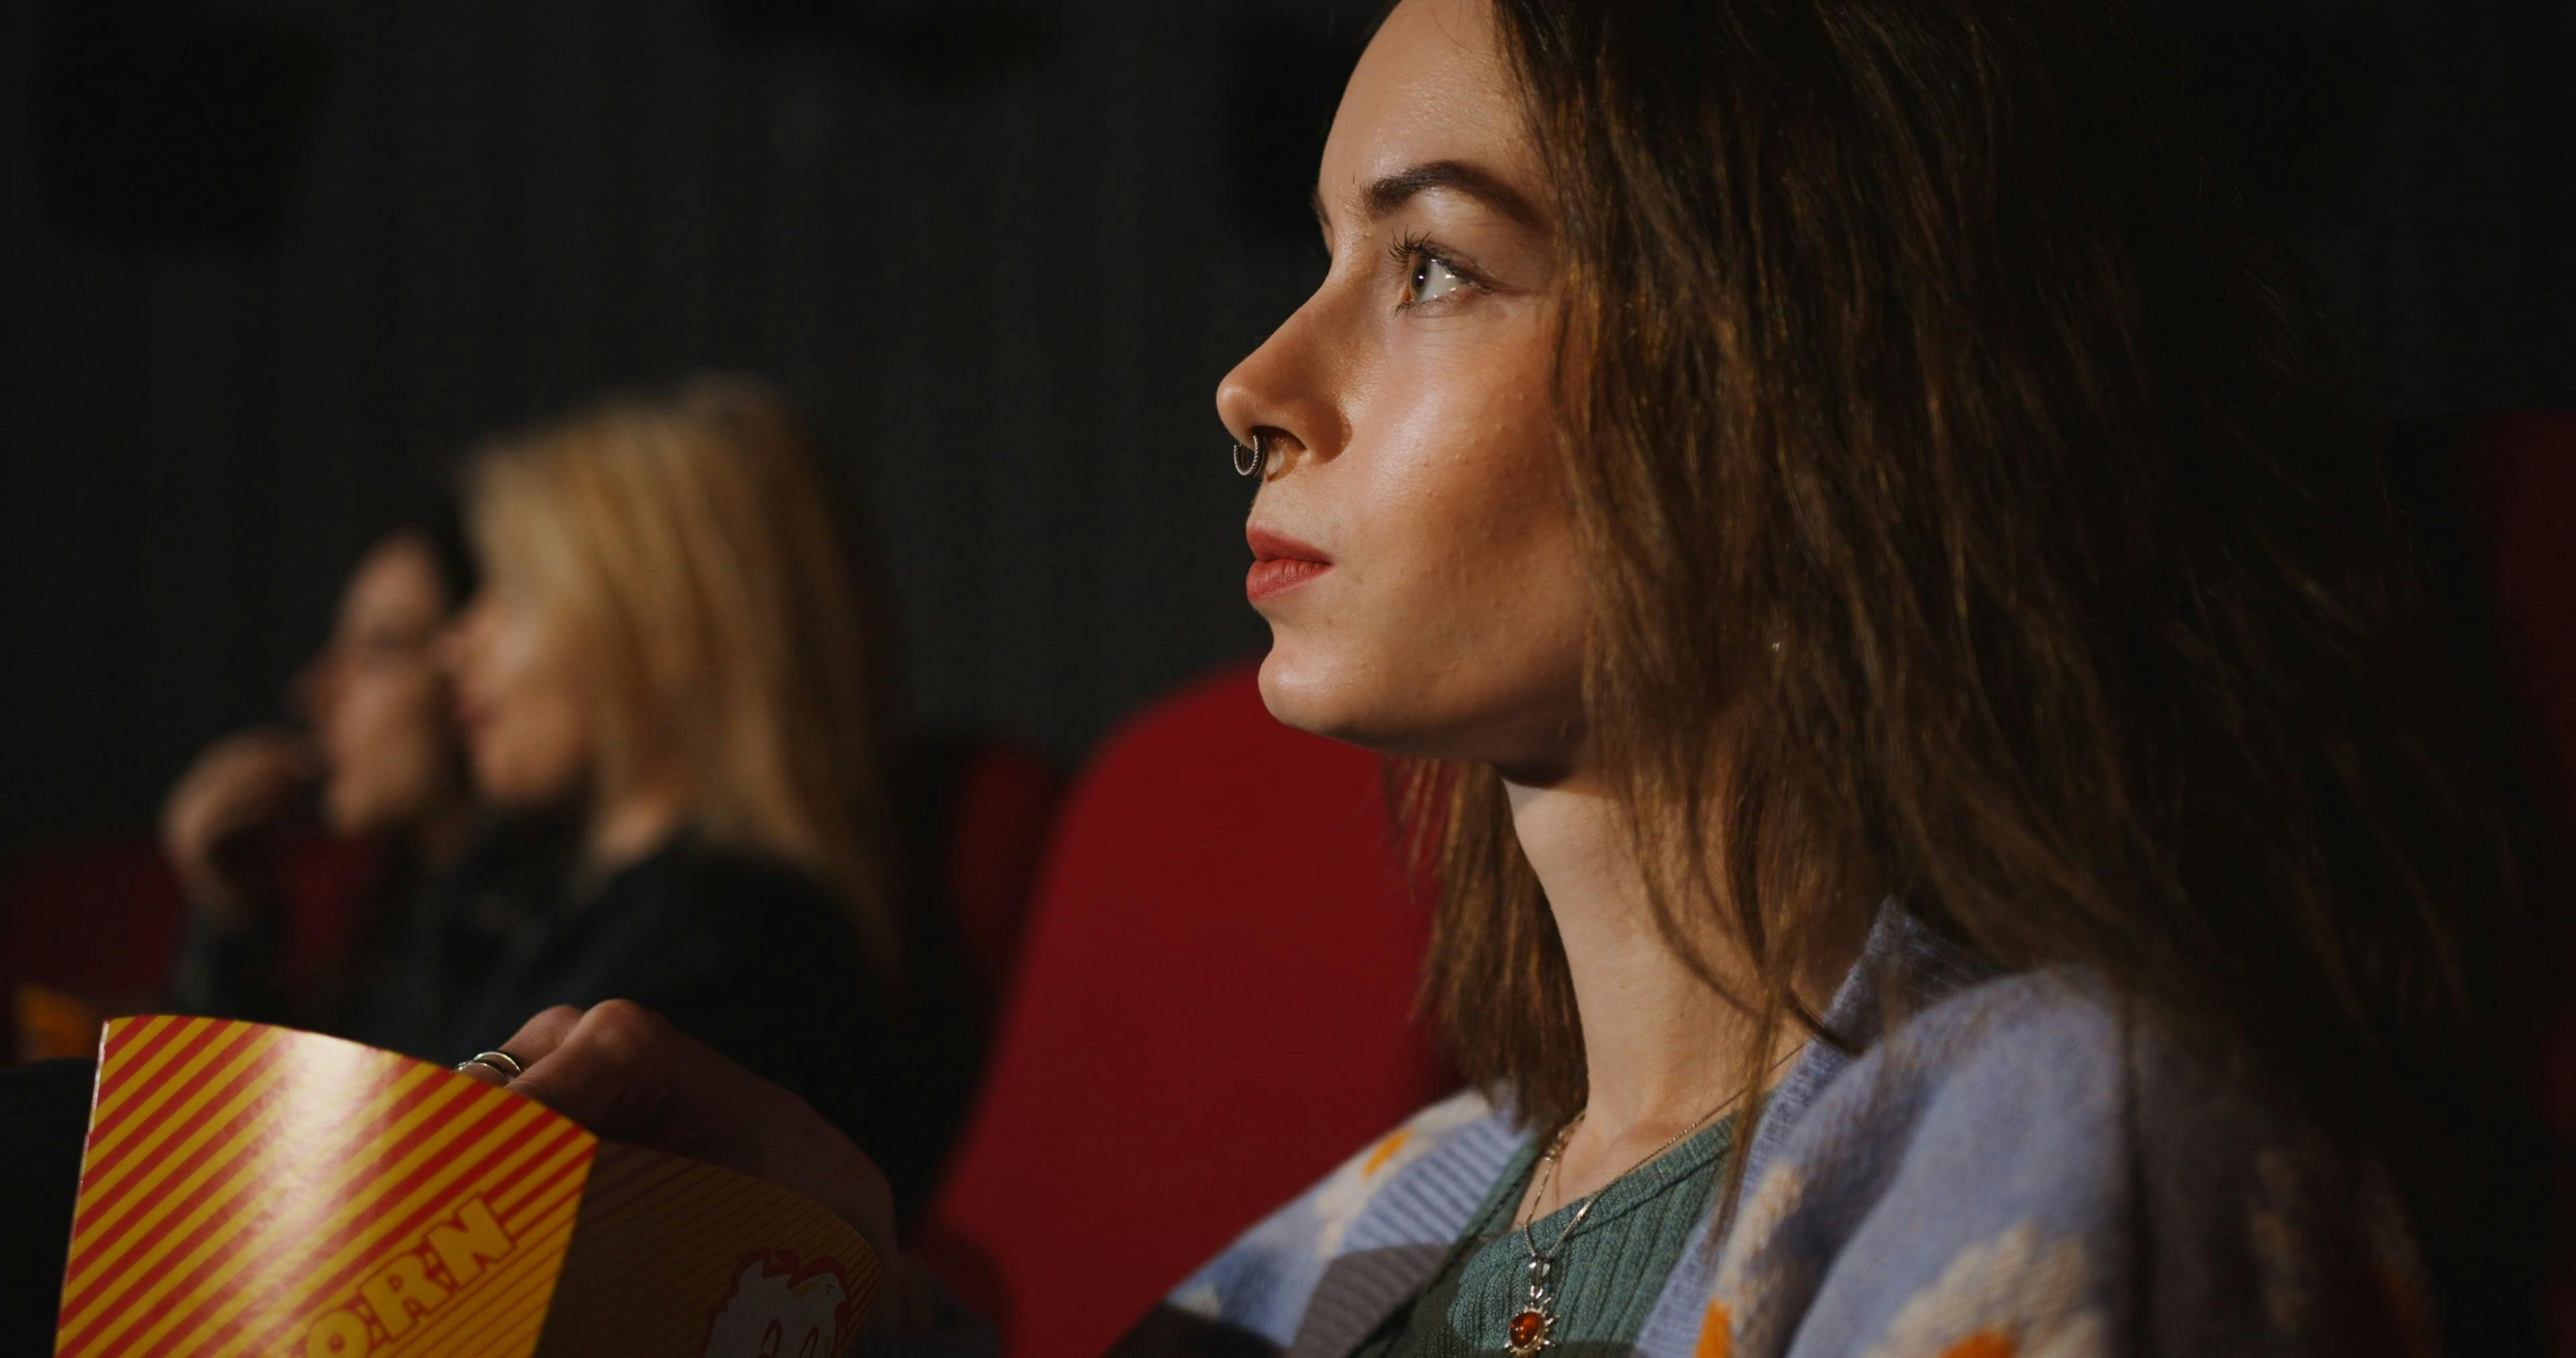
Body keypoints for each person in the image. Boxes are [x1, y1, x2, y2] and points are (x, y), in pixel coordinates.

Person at [464, 0, 2563, 1351]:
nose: (1254, 383)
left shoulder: (2075, 1129)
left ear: (1803, 381)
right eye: (1321, 257)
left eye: (1434, 264)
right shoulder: (1417, 1193)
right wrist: (827, 1300)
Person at [437, 374, 973, 1219]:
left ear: (661, 630)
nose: (456, 644)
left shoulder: (733, 953)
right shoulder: (550, 906)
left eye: (515, 589)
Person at [164, 504, 486, 1031]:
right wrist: (230, 916)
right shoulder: (399, 923)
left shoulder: (529, 942)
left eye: (381, 646)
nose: (313, 692)